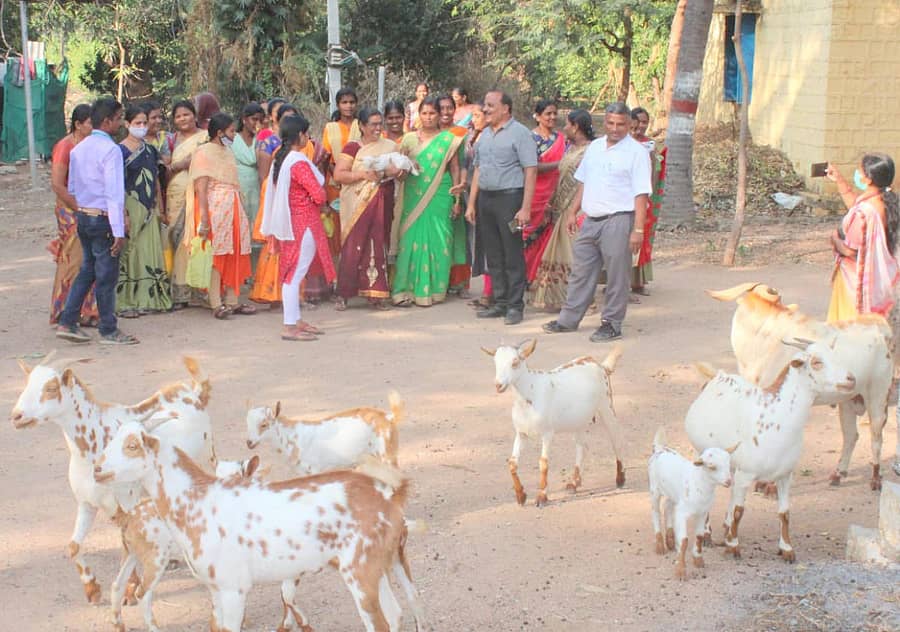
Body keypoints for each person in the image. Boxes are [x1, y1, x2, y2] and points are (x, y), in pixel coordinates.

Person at [542, 102, 651, 342]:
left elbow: (641, 194)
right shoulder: (595, 148)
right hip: (590, 219)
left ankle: (611, 323)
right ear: (605, 122)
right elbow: (584, 181)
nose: (615, 128)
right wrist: (572, 211)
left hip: (619, 220)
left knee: (616, 275)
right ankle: (568, 320)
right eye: (610, 123)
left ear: (629, 124)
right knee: (581, 271)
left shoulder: (637, 153)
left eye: (621, 124)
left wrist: (638, 230)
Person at [56, 97, 138, 345]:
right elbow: (114, 193)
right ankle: (108, 329)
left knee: (88, 270)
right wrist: (119, 231)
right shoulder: (111, 150)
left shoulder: (79, 148)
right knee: (106, 275)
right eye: (119, 118)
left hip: (84, 214)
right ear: (107, 121)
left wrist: (81, 209)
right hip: (103, 218)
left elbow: (72, 185)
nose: (121, 123)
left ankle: (68, 321)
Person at [464, 90, 538, 326]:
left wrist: (525, 208)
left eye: (490, 105)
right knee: (493, 253)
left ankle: (516, 306)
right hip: (486, 200)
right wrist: (472, 203)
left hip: (510, 200)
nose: (485, 109)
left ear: (505, 108)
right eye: (485, 105)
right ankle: (500, 302)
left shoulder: (520, 134)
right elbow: (478, 170)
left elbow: (531, 170)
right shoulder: (484, 135)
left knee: (512, 252)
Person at [261, 114, 335, 341]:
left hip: (291, 223)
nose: (308, 138)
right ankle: (290, 326)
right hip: (304, 224)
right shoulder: (298, 161)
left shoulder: (281, 159)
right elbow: (319, 194)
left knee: (293, 272)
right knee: (295, 274)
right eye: (306, 133)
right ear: (300, 135)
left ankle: (295, 320)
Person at [392, 97, 465, 306]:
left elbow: (455, 168)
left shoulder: (449, 140)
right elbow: (399, 172)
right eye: (424, 113)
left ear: (439, 115)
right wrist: (405, 168)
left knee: (440, 239)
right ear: (418, 115)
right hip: (413, 193)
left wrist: (457, 198)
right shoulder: (408, 140)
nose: (428, 117)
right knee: (408, 239)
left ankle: (435, 290)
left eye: (432, 113)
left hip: (441, 193)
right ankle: (404, 290)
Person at [333, 107, 404, 310]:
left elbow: (401, 174)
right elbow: (339, 175)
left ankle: (377, 294)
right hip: (357, 204)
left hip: (382, 200)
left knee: (379, 243)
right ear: (361, 126)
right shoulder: (353, 148)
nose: (377, 128)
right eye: (372, 124)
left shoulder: (390, 146)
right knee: (353, 245)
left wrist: (398, 172)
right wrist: (364, 175)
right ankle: (344, 295)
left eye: (379, 123)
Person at [189, 112, 256, 319]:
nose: (234, 135)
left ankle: (232, 300)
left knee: (236, 251)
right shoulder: (202, 152)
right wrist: (204, 217)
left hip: (234, 206)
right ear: (219, 133)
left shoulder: (227, 151)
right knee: (217, 255)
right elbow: (200, 188)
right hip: (215, 208)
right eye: (231, 131)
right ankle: (216, 303)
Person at [529, 109, 595, 312]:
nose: (563, 127)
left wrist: (574, 210)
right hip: (561, 208)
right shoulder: (570, 148)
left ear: (575, 127)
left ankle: (582, 301)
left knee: (575, 256)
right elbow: (561, 177)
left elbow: (589, 182)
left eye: (567, 124)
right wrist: (551, 202)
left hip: (579, 210)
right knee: (560, 254)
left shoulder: (592, 150)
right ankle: (560, 299)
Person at [826, 154, 900, 320]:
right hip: (878, 281)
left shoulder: (864, 213)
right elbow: (855, 204)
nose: (857, 173)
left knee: (846, 331)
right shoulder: (884, 201)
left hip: (854, 281)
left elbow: (850, 251)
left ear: (868, 179)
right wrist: (839, 180)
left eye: (860, 171)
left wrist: (835, 239)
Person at [116, 104, 172, 317]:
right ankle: (127, 301)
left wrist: (160, 207)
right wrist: (123, 213)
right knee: (130, 253)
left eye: (144, 123)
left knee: (149, 250)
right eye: (137, 123)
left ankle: (151, 299)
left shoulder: (150, 150)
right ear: (127, 124)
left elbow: (157, 181)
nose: (141, 126)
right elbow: (116, 184)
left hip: (149, 208)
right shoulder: (118, 151)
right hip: (129, 206)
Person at [49, 104, 99, 327]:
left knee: (90, 259)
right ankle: (64, 309)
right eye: (90, 123)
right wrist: (78, 208)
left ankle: (87, 310)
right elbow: (58, 185)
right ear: (78, 124)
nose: (93, 127)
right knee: (73, 258)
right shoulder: (64, 146)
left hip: (88, 206)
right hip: (70, 208)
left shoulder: (91, 145)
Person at [165, 100, 208, 308]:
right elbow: (164, 168)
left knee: (192, 239)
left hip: (197, 193)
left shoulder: (206, 137)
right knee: (175, 238)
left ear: (195, 115)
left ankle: (195, 289)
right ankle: (177, 291)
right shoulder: (171, 140)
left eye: (186, 114)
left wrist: (180, 165)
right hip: (174, 194)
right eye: (178, 116)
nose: (182, 119)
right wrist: (177, 166)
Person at [524, 99, 565, 283]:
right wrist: (559, 164)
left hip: (556, 193)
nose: (552, 117)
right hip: (534, 195)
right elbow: (531, 167)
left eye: (555, 113)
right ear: (537, 116)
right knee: (528, 235)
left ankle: (540, 278)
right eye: (548, 113)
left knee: (550, 237)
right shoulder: (530, 139)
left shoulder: (561, 139)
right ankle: (524, 276)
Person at [436, 94, 471, 294]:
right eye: (442, 108)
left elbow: (464, 163)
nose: (446, 112)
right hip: (433, 190)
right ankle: (440, 280)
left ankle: (459, 282)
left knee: (456, 234)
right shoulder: (428, 134)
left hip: (455, 187)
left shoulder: (460, 133)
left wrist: (459, 191)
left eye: (450, 108)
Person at [321, 87, 361, 257]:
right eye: (344, 102)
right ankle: (337, 269)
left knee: (356, 219)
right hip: (334, 183)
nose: (348, 106)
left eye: (352, 102)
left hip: (358, 179)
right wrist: (337, 173)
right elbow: (325, 156)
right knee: (336, 223)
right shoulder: (330, 127)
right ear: (338, 105)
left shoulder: (361, 126)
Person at [629, 106, 661, 298]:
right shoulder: (624, 144)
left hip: (644, 198)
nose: (641, 126)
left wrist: (650, 196)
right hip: (626, 199)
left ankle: (638, 282)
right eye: (638, 122)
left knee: (642, 238)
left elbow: (655, 171)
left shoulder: (650, 144)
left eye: (645, 122)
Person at [462, 102, 492, 308]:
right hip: (469, 193)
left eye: (477, 115)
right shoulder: (469, 137)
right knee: (475, 241)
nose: (474, 119)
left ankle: (490, 292)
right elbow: (465, 165)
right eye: (472, 115)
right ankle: (483, 288)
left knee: (489, 244)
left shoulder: (491, 137)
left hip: (488, 194)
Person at [233, 102, 265, 270]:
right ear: (244, 120)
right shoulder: (233, 138)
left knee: (256, 226)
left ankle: (255, 271)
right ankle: (240, 270)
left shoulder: (261, 140)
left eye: (260, 120)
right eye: (253, 119)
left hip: (256, 185)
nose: (256, 124)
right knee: (239, 227)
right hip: (238, 185)